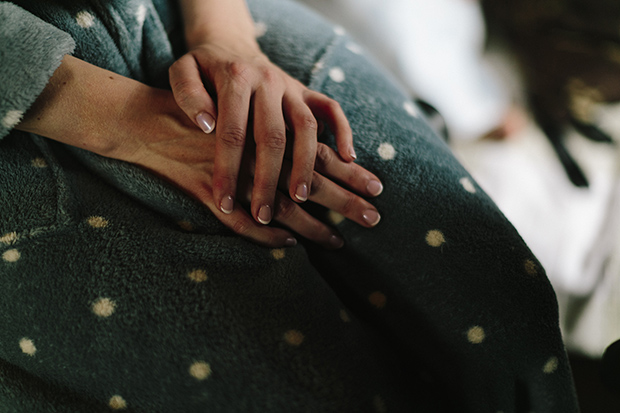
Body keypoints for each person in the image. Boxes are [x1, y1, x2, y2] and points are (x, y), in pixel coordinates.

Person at [0, 0, 578, 411]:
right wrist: (130, 122)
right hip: (28, 122)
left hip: (191, 17)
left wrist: (227, 37)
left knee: (502, 312)